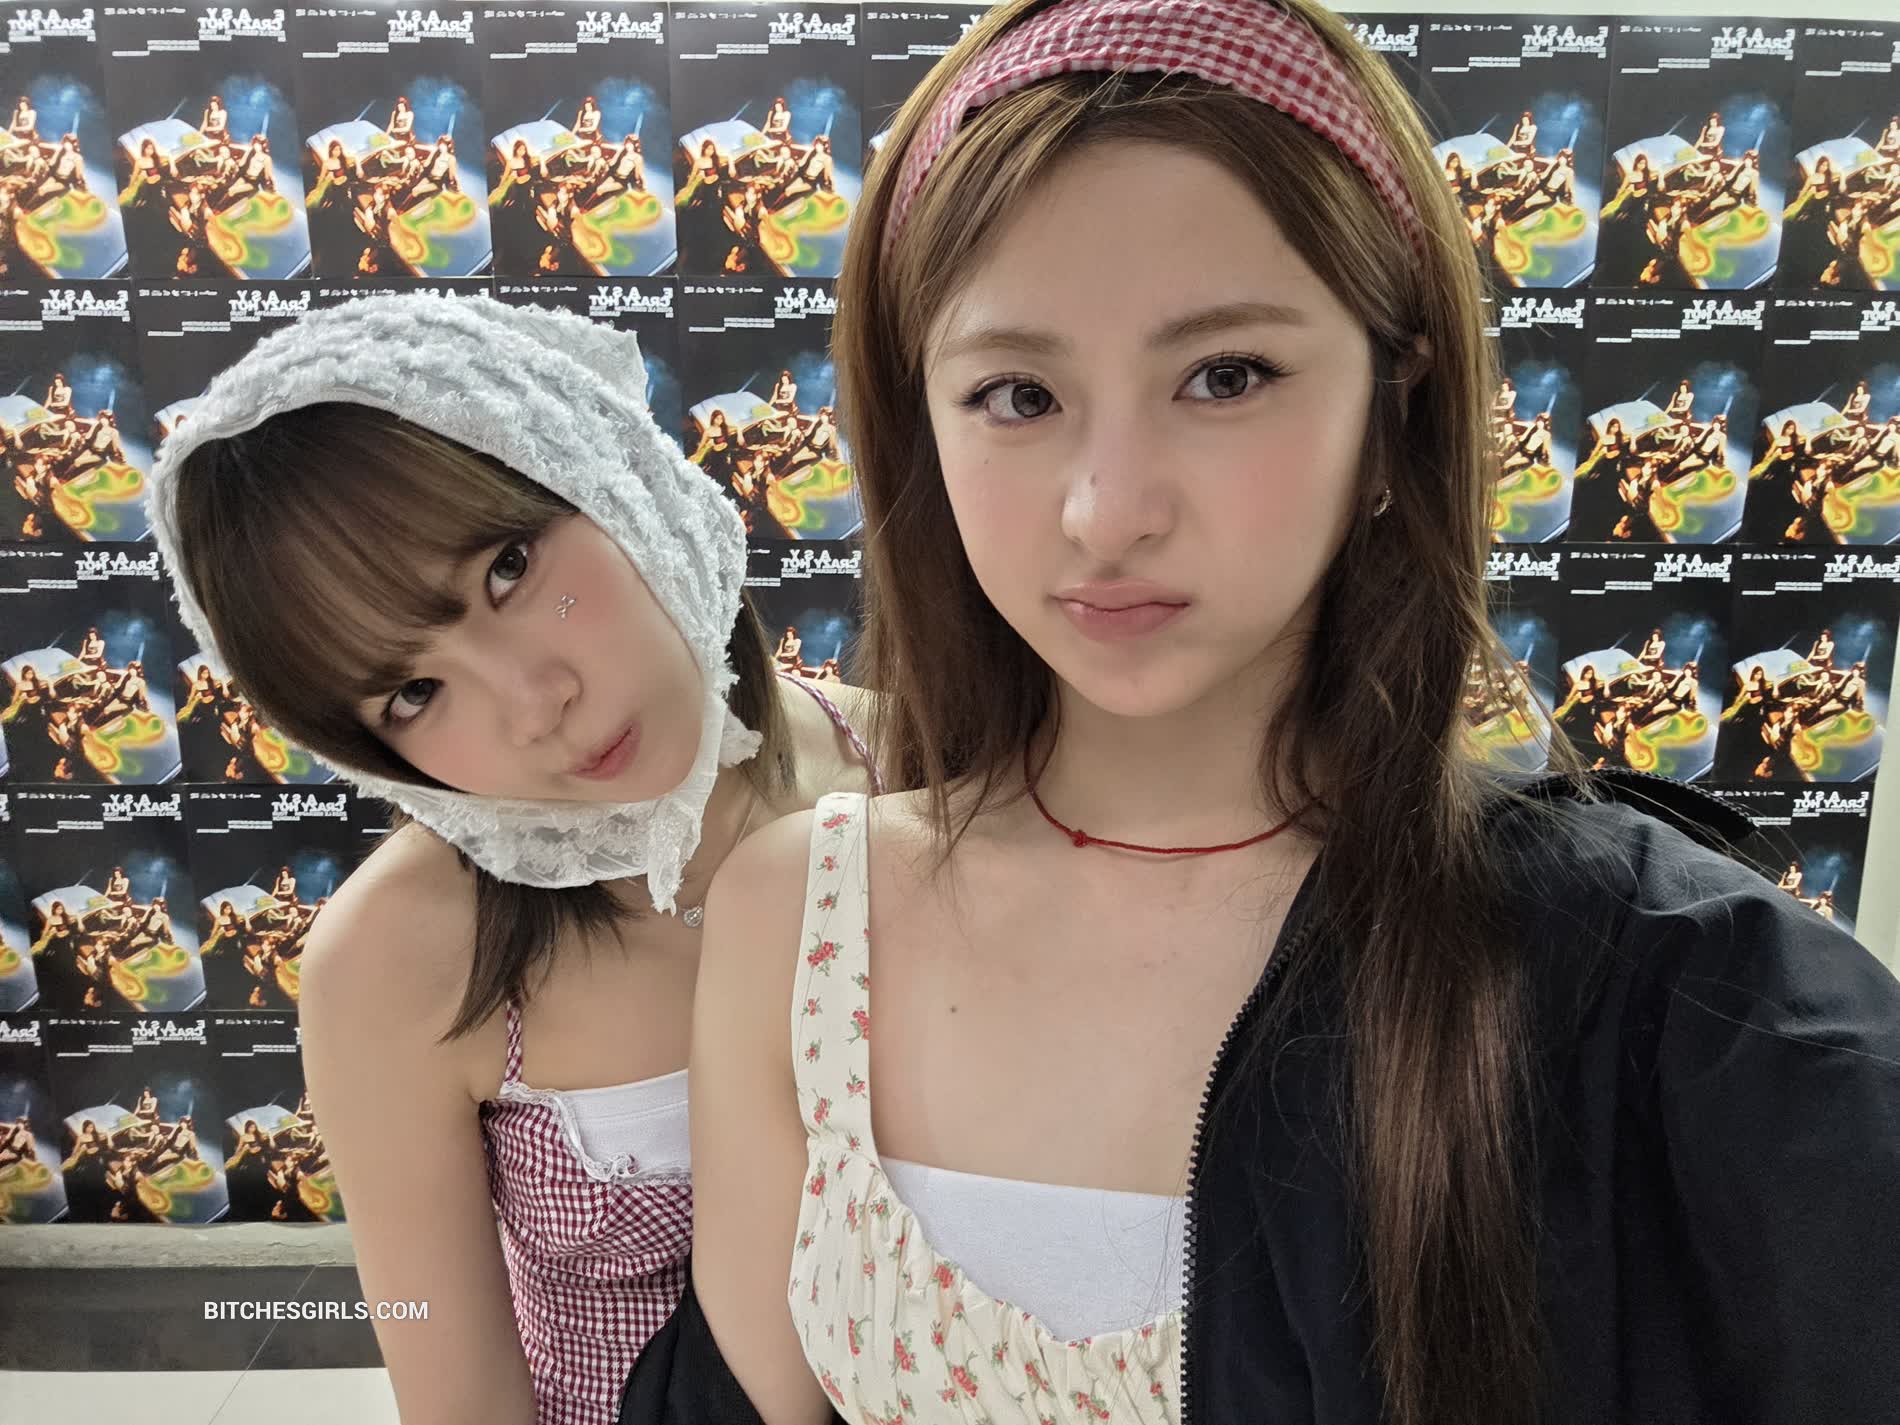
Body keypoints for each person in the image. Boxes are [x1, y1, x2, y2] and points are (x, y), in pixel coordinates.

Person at [623, 2, 1900, 1423]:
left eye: (1225, 377)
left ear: (1391, 415)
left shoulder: (1661, 986)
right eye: (1017, 394)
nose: (1107, 511)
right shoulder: (804, 915)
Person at [148, 292, 880, 1425]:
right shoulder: (397, 960)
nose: (535, 705)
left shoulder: (919, 767)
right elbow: (459, 1397)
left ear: (603, 466)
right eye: (413, 692)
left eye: (510, 568)